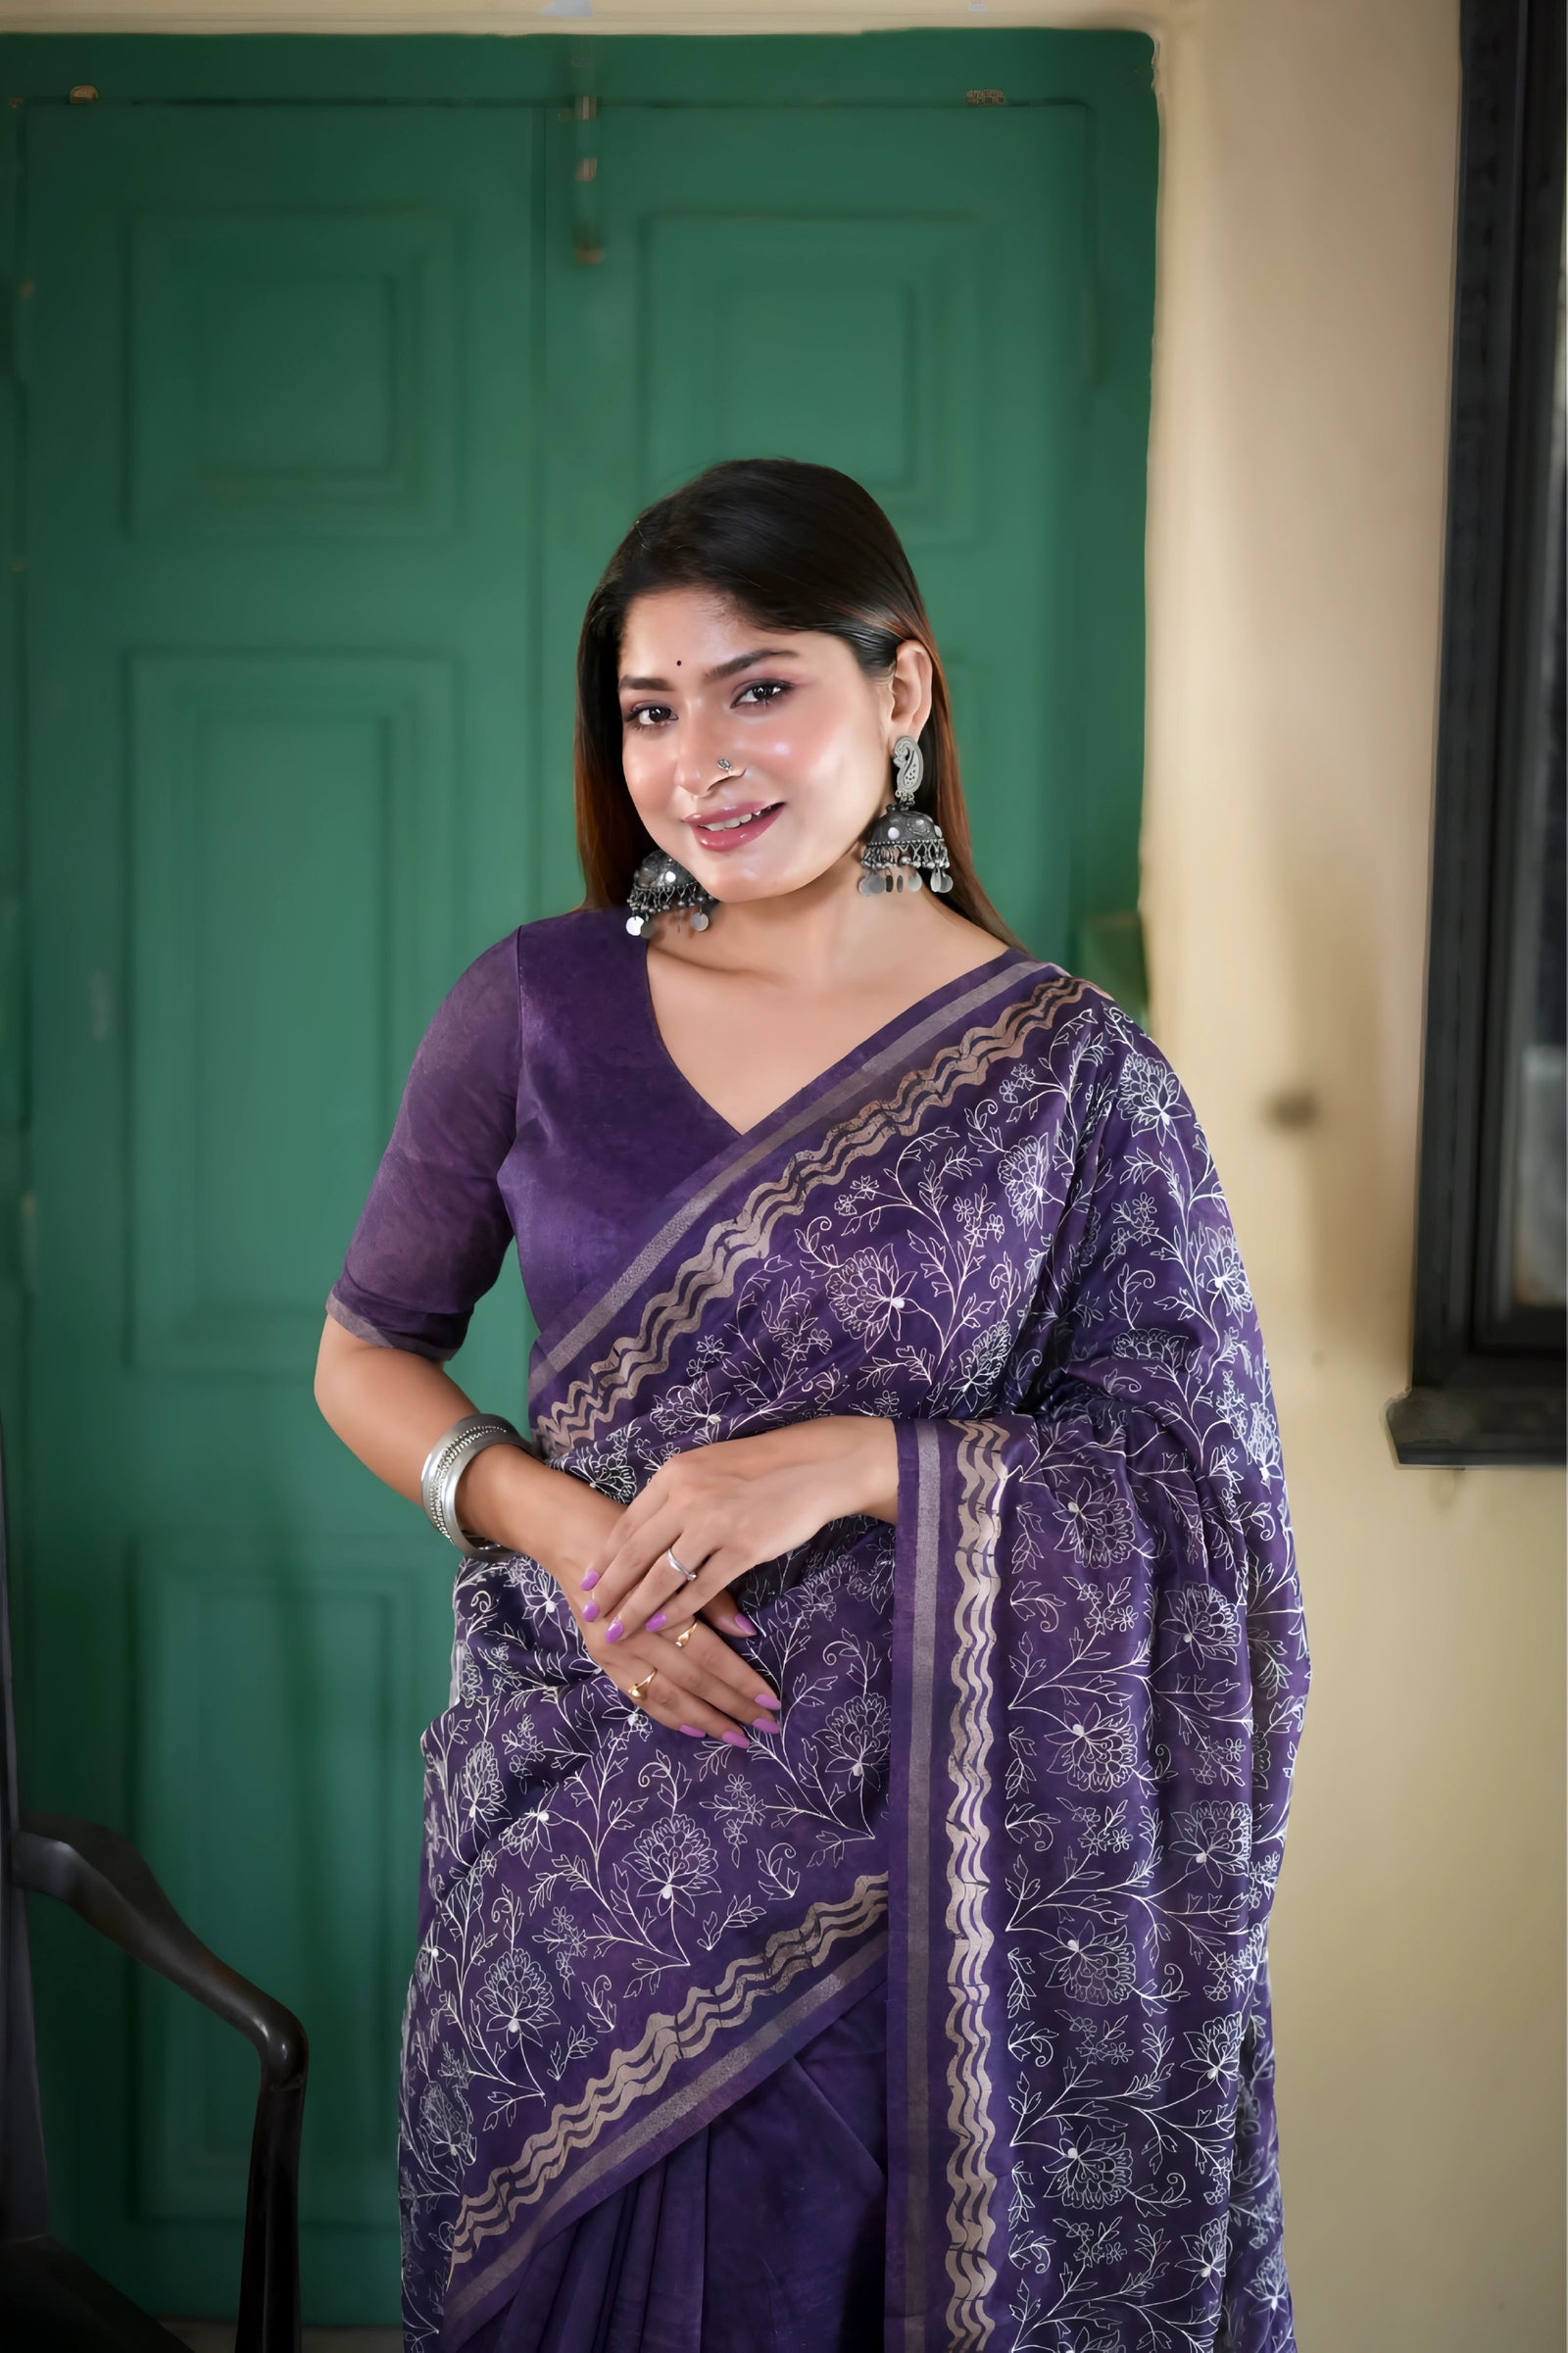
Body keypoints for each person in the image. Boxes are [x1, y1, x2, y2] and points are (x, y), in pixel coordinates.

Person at [315, 459, 1308, 2353]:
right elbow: (362, 1351)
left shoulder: (1067, 1074)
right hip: (573, 1868)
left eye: (760, 685)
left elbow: (1207, 1506)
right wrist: (563, 1524)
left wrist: (865, 1465)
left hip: (925, 1925)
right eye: (649, 709)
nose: (698, 761)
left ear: (904, 692)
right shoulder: (531, 1007)